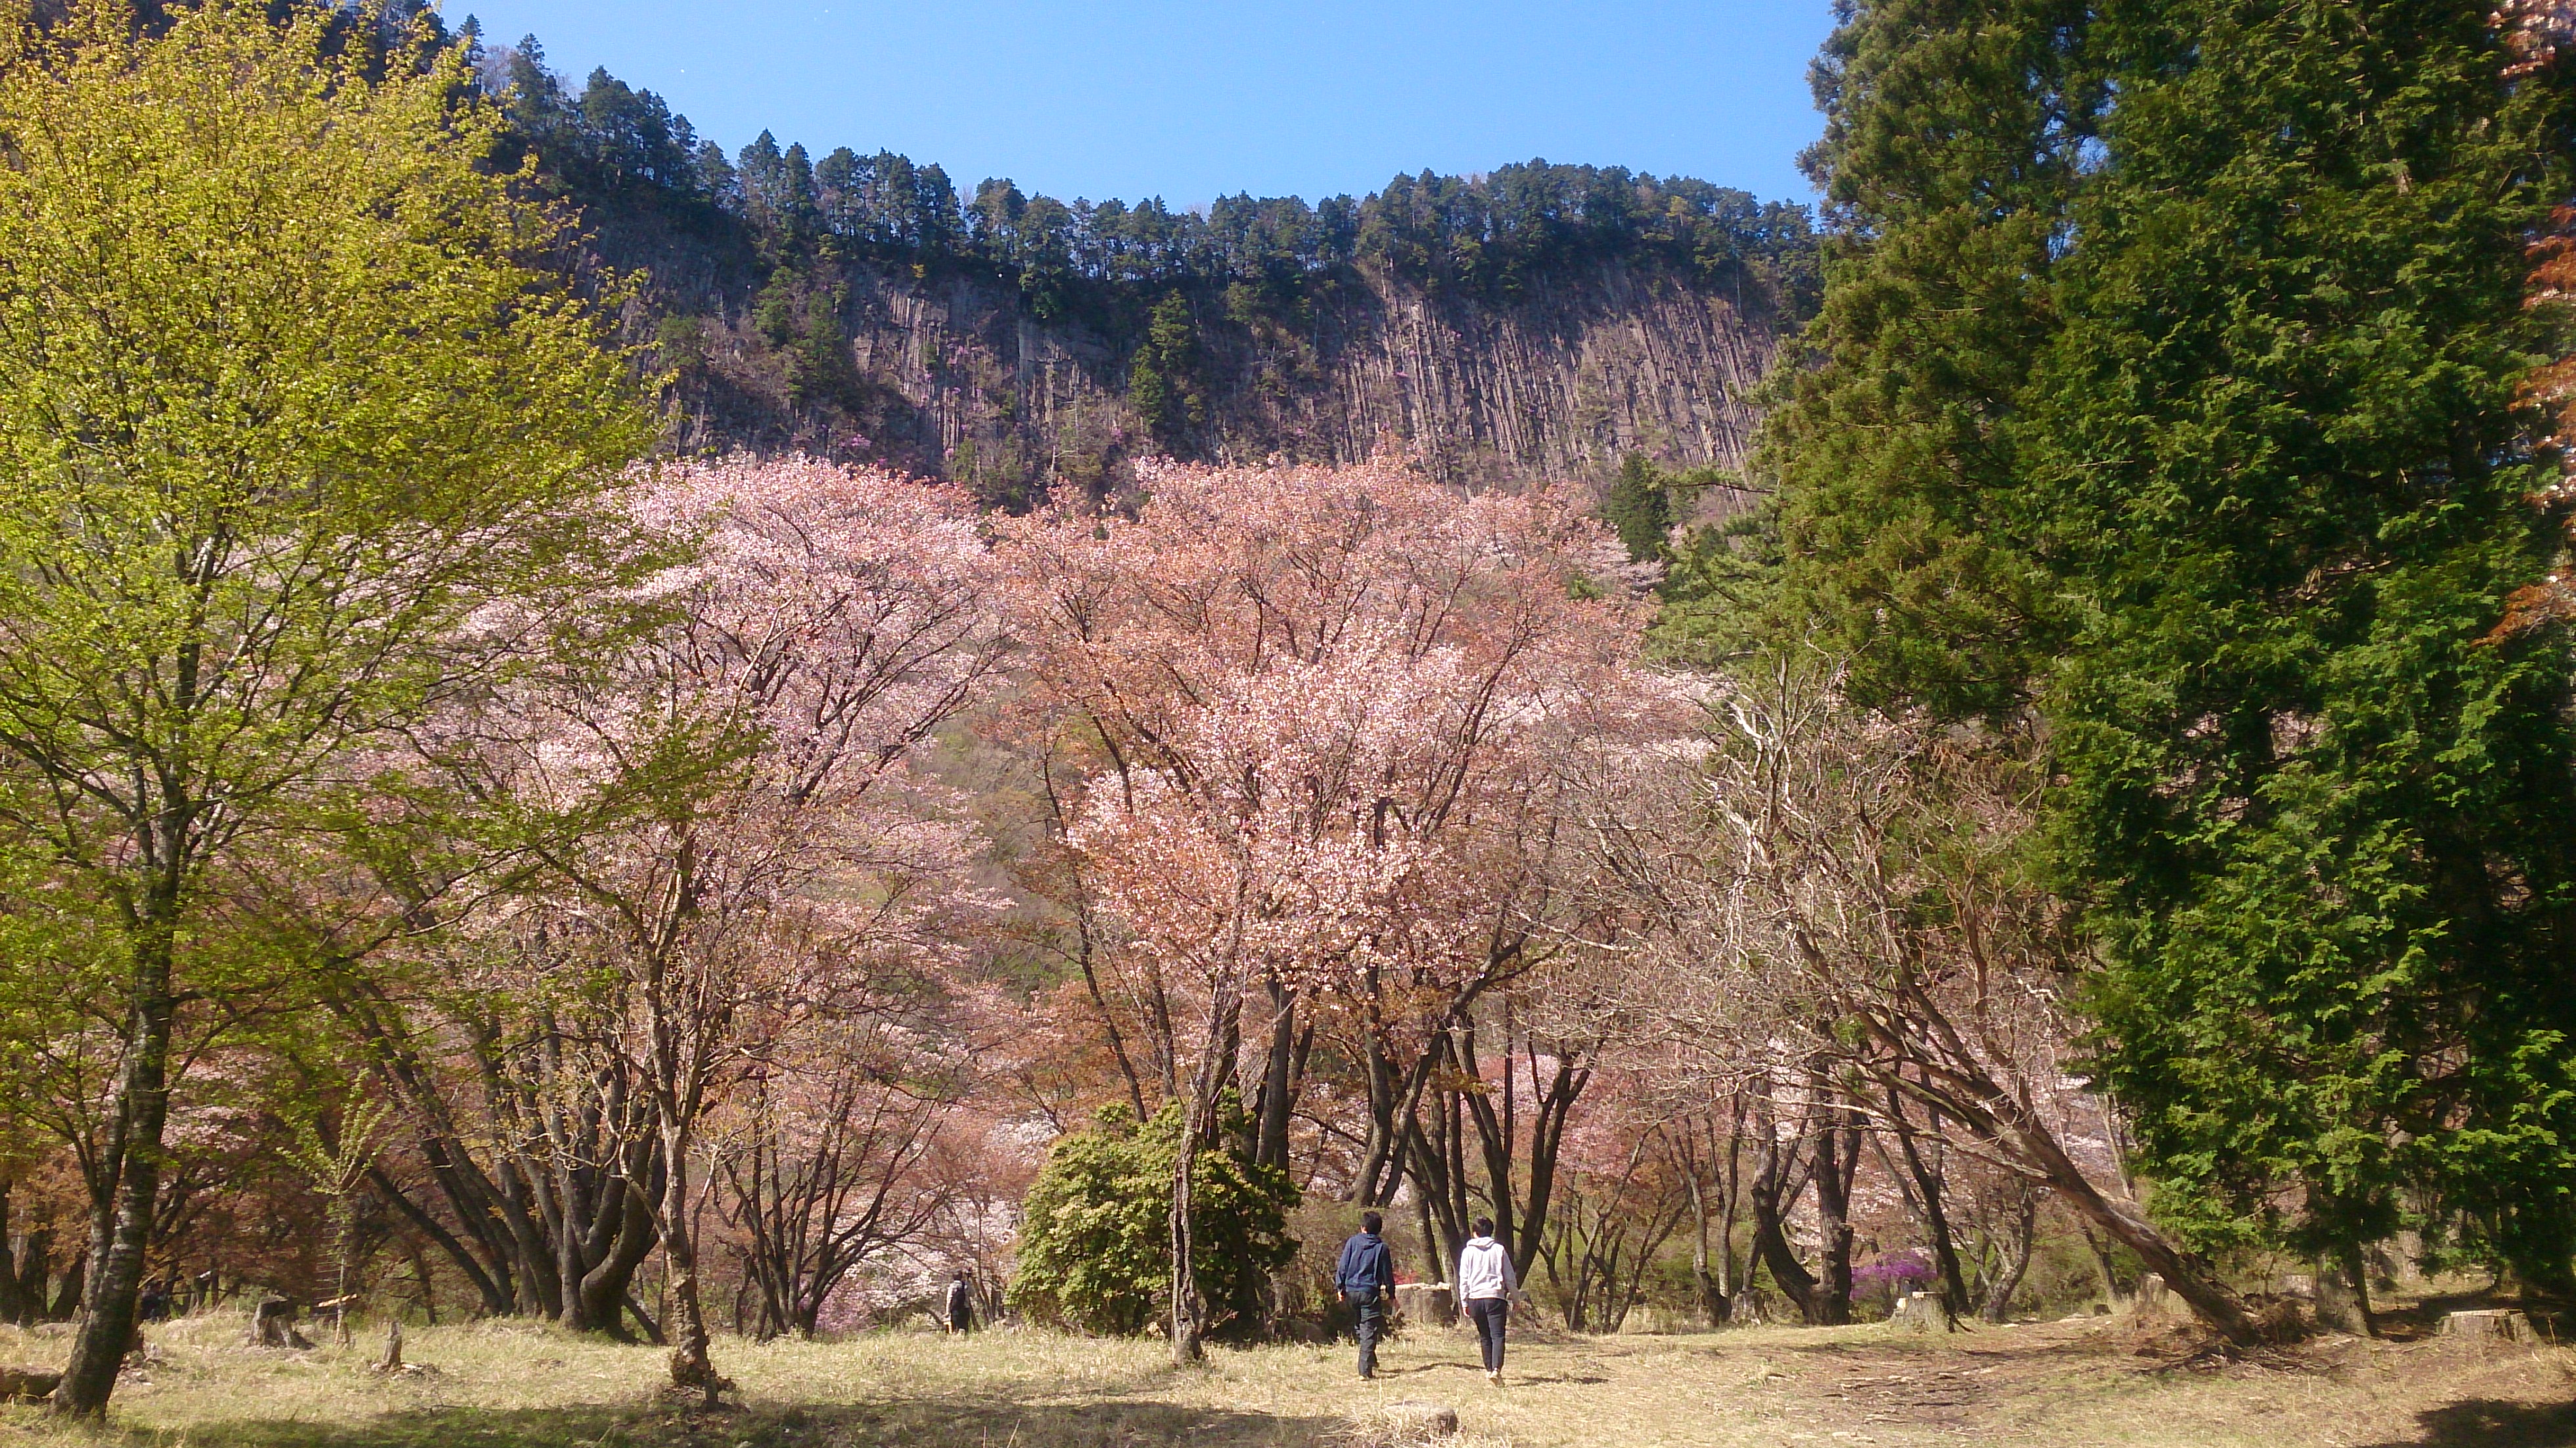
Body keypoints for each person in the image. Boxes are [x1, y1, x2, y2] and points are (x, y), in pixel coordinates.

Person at [1334, 1210, 1396, 1380]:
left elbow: (1343, 1267)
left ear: (1363, 1228)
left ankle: (1370, 1359)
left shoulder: (1352, 1243)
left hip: (1352, 1291)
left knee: (1360, 1327)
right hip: (1370, 1293)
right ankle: (1364, 1371)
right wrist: (1391, 1294)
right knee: (1368, 1329)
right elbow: (1387, 1274)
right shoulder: (1381, 1248)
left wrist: (1340, 1288)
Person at [1456, 1217, 1517, 1386]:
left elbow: (1464, 1279)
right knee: (1497, 1335)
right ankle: (1497, 1370)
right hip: (1495, 1296)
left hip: (1475, 1298)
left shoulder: (1467, 1252)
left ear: (1475, 1233)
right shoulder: (1499, 1249)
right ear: (1491, 1231)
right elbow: (1510, 1277)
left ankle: (1489, 1369)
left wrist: (1464, 1302)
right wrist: (1515, 1297)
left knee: (1484, 1336)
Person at [944, 1269, 975, 1334]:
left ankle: (956, 1341)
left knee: (955, 1328)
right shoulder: (966, 1285)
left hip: (955, 1309)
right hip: (965, 1308)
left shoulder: (952, 1286)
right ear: (961, 1276)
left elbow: (949, 1299)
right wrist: (968, 1282)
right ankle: (966, 1341)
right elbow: (973, 1294)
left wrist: (948, 1311)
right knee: (965, 1328)